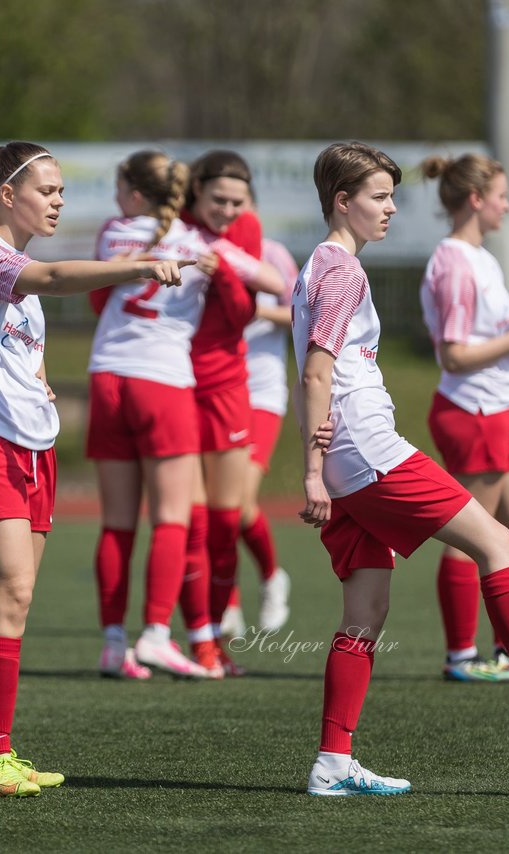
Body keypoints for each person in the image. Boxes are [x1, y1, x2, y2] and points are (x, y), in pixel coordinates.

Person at [294, 141, 509, 796]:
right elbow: (317, 370)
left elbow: (313, 365)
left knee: (365, 610)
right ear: (342, 201)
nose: (390, 209)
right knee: (497, 542)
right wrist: (311, 468)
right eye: (379, 197)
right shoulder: (345, 271)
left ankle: (333, 763)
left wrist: (317, 465)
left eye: (391, 195)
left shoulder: (317, 266)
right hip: (366, 451)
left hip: (346, 460)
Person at [0, 141, 196, 797]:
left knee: (5, 602)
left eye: (60, 192)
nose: (57, 201)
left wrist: (41, 387)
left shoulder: (14, 267)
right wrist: (138, 266)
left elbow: (19, 337)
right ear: (7, 194)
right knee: (12, 593)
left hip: (30, 444)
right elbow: (51, 279)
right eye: (47, 190)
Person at [86, 150, 217, 680]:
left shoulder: (112, 231)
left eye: (119, 186)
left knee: (116, 524)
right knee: (171, 518)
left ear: (135, 194)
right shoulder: (197, 242)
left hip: (106, 375)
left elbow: (98, 302)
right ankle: (158, 634)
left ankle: (113, 645)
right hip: (162, 379)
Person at [419, 153, 509, 683]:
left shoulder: (481, 257)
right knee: (475, 538)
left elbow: (482, 334)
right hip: (473, 411)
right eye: (500, 194)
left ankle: (500, 651)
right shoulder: (454, 260)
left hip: (496, 411)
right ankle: (462, 656)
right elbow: (453, 353)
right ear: (476, 199)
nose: (507, 204)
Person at [176, 151, 286, 678]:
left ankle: (215, 636)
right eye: (216, 199)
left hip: (225, 387)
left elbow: (244, 311)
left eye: (236, 201)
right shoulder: (170, 227)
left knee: (224, 522)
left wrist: (222, 273)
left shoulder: (245, 230)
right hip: (170, 381)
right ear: (194, 192)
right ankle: (184, 638)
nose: (226, 209)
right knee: (185, 522)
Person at [225, 191, 300, 638]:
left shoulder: (272, 254)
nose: (232, 213)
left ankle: (272, 577)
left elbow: (301, 313)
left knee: (237, 504)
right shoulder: (205, 253)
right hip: (213, 389)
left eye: (240, 202)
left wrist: (253, 309)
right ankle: (227, 603)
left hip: (260, 391)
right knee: (215, 506)